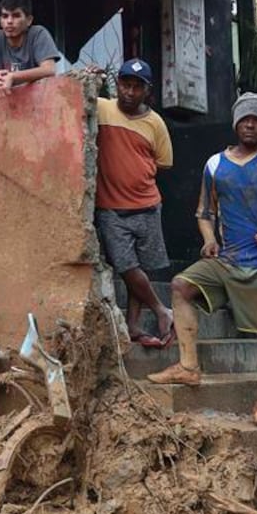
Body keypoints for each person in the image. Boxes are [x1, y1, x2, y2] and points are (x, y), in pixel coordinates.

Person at [147, 93, 257, 429]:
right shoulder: (215, 164)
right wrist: (210, 239)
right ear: (236, 122)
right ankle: (188, 367)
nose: (250, 123)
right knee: (182, 285)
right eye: (244, 118)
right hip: (227, 259)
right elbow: (204, 213)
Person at [94, 59, 174, 348]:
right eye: (125, 85)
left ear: (147, 92)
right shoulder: (102, 108)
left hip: (148, 204)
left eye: (136, 87)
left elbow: (164, 162)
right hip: (111, 207)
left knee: (141, 267)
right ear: (117, 86)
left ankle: (134, 324)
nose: (129, 92)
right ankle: (161, 310)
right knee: (126, 266)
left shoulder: (155, 123)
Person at [0, 0, 60, 98]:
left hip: (40, 98)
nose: (9, 21)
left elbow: (49, 69)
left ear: (29, 20)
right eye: (5, 16)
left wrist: (13, 76)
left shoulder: (38, 33)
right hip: (10, 101)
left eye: (16, 16)